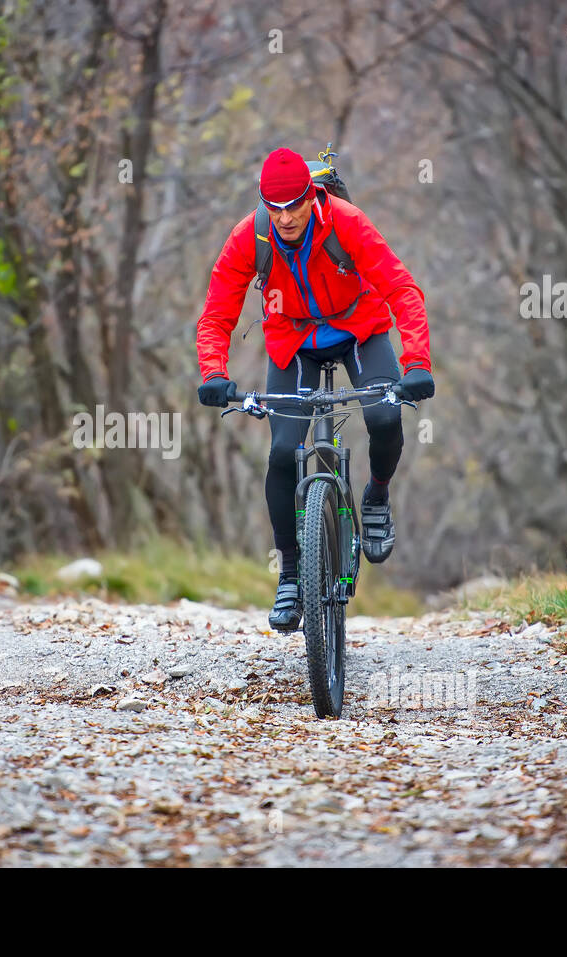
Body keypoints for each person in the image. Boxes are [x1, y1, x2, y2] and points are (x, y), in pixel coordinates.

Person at [195, 147, 434, 631]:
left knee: (386, 416)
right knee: (283, 453)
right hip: (294, 339)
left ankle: (377, 496)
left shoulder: (346, 221)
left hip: (359, 328)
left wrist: (417, 362)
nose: (285, 217)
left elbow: (401, 289)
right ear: (264, 202)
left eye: (295, 205)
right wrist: (214, 374)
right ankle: (289, 572)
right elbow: (218, 313)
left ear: (312, 195)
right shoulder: (251, 236)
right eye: (274, 207)